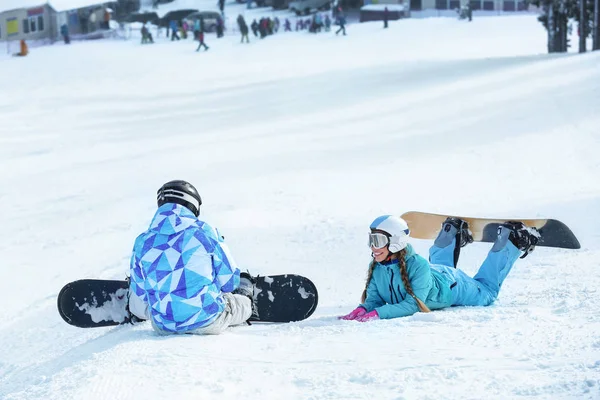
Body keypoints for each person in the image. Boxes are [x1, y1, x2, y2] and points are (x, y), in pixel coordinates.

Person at [340, 215, 539, 322]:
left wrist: (378, 314)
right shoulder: (377, 265)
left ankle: (511, 239)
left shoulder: (416, 265)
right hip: (432, 274)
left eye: (378, 240)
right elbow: (375, 299)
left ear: (395, 242)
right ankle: (451, 232)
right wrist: (363, 308)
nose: (373, 246)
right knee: (434, 268)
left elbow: (413, 304)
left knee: (486, 290)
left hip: (453, 285)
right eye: (371, 240)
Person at [127, 180, 255, 335]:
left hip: (163, 327)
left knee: (141, 300)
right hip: (209, 321)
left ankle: (132, 306)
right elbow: (229, 282)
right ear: (192, 205)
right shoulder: (204, 232)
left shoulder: (143, 241)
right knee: (241, 304)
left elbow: (141, 292)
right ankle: (247, 296)